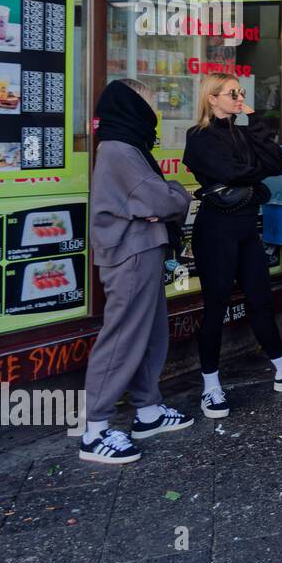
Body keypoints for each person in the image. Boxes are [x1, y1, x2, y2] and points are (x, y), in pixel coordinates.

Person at [184, 75, 282, 418]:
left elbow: (277, 163)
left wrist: (256, 122)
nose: (239, 97)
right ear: (212, 98)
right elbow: (232, 171)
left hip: (245, 226)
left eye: (241, 92)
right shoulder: (198, 136)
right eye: (232, 93)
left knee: (261, 298)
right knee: (216, 305)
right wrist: (257, 180)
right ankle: (210, 387)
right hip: (216, 229)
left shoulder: (241, 131)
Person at [79, 79, 195, 463]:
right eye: (148, 102)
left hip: (142, 248)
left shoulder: (128, 146)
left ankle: (148, 410)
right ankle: (94, 430)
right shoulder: (120, 149)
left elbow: (156, 201)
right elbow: (163, 198)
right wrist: (175, 194)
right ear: (132, 106)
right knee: (124, 335)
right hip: (130, 252)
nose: (154, 110)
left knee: (150, 332)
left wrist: (162, 200)